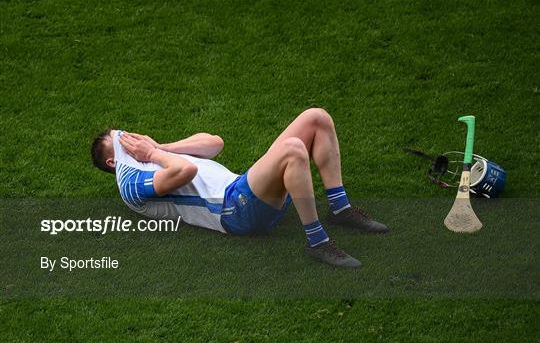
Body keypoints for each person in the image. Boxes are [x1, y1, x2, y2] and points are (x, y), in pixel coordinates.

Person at [91, 108, 389, 268]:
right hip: (233, 211)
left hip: (243, 190)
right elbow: (188, 170)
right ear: (112, 161)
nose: (131, 142)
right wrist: (152, 155)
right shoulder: (130, 184)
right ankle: (318, 243)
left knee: (316, 117)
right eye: (122, 144)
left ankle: (341, 208)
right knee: (293, 149)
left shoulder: (154, 155)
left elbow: (214, 143)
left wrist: (159, 146)